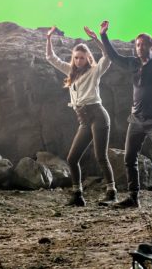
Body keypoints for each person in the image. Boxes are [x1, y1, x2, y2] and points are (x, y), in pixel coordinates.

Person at [91, 13, 152, 209]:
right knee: (129, 158)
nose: (140, 47)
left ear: (151, 47)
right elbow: (114, 57)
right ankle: (133, 198)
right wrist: (104, 35)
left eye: (143, 45)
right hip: (136, 120)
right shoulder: (133, 63)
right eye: (137, 45)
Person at [45, 24, 117, 207]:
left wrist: (96, 39)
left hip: (98, 115)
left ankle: (111, 193)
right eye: (76, 58)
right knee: (72, 158)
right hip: (84, 119)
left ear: (87, 58)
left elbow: (108, 56)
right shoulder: (70, 72)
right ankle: (77, 195)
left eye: (82, 58)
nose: (78, 61)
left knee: (100, 156)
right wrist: (48, 38)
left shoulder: (94, 71)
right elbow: (51, 58)